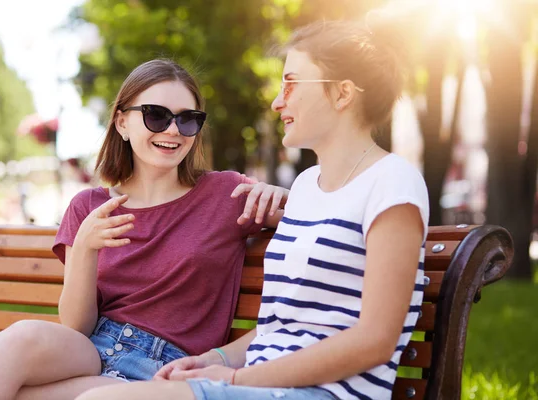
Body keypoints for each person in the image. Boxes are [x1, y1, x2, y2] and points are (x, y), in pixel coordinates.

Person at [75, 15, 430, 400]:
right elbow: (280, 328)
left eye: (292, 83)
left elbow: (375, 341)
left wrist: (233, 381)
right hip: (263, 386)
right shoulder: (307, 187)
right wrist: (214, 361)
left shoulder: (393, 183)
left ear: (343, 94)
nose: (278, 102)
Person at [0, 59, 288, 400]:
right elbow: (76, 327)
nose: (172, 130)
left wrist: (284, 197)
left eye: (188, 120)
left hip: (163, 371)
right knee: (24, 336)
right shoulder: (88, 206)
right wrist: (87, 248)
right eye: (156, 115)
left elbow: (323, 222)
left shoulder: (226, 195)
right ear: (122, 123)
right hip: (89, 351)